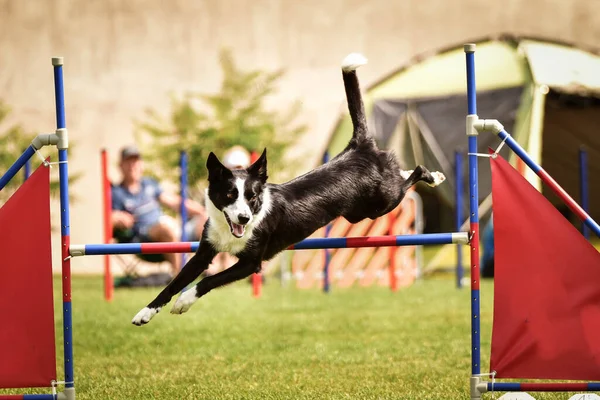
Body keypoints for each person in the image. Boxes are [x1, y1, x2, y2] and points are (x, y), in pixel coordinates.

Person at [111, 145, 208, 275]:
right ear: (121, 165)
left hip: (172, 231)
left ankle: (212, 270)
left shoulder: (149, 184)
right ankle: (181, 277)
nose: (132, 165)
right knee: (165, 228)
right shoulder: (117, 193)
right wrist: (117, 218)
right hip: (145, 240)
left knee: (208, 219)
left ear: (141, 165)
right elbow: (110, 218)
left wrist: (202, 211)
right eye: (128, 161)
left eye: (135, 161)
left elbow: (174, 202)